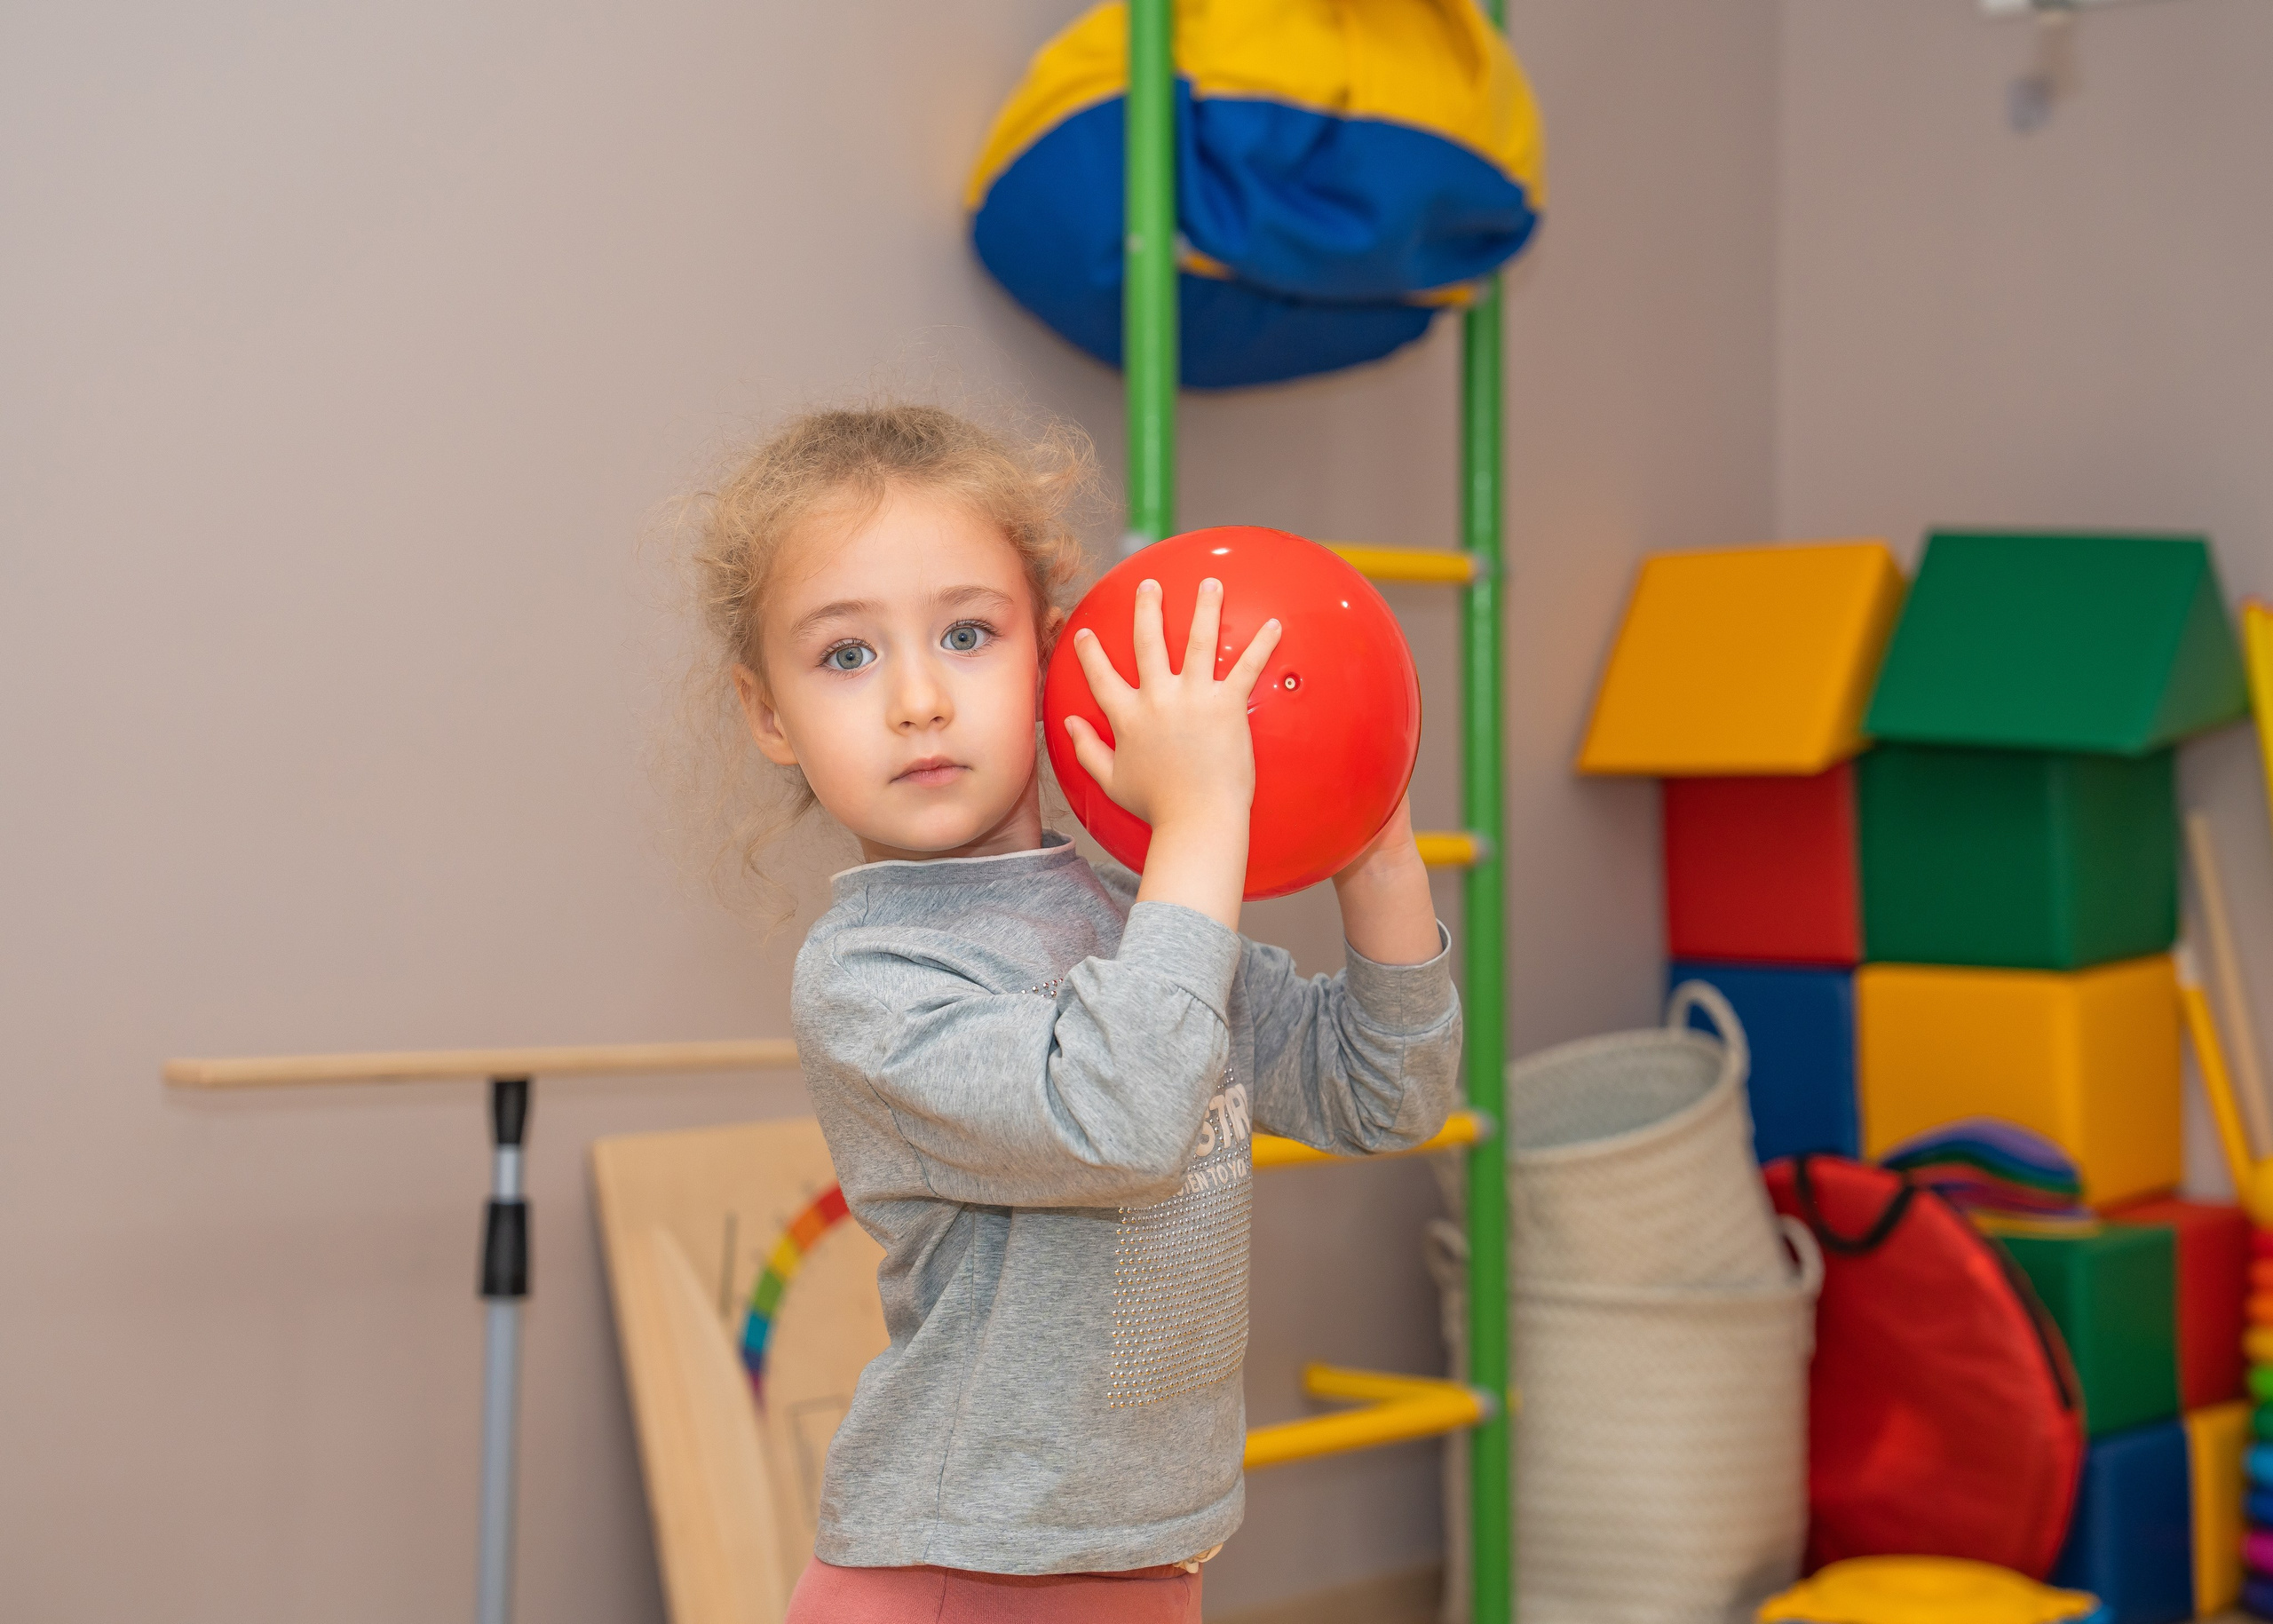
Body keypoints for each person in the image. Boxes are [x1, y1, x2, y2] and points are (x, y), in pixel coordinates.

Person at [687, 402, 1462, 1623]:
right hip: (958, 1576)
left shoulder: (1139, 919)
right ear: (769, 712)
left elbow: (1384, 1093)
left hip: (1149, 1559)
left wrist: (1377, 851)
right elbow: (1121, 1117)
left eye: (967, 634)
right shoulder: (871, 980)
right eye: (847, 655)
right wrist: (1202, 824)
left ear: (1054, 655)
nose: (918, 699)